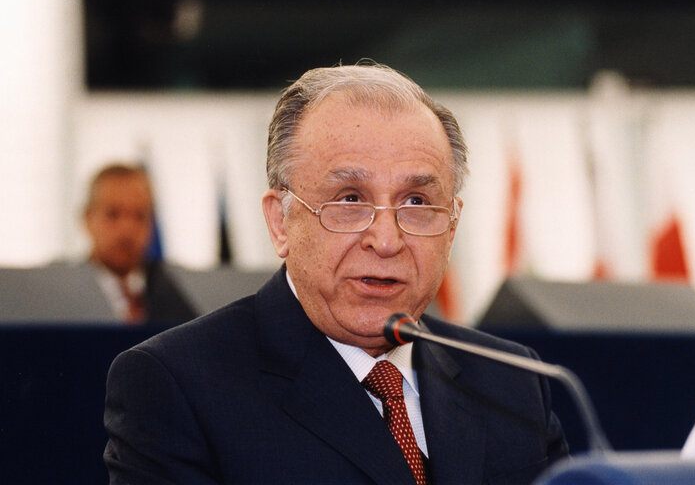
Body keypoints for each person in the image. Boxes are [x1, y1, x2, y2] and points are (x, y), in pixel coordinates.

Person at [104, 63, 568, 484]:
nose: (386, 240)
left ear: (452, 227)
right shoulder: (177, 384)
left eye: (417, 203)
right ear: (280, 222)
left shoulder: (513, 384)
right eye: (349, 200)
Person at [84, 164, 197, 325]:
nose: (127, 229)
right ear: (87, 219)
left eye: (140, 216)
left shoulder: (181, 293)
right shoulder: (60, 292)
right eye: (113, 214)